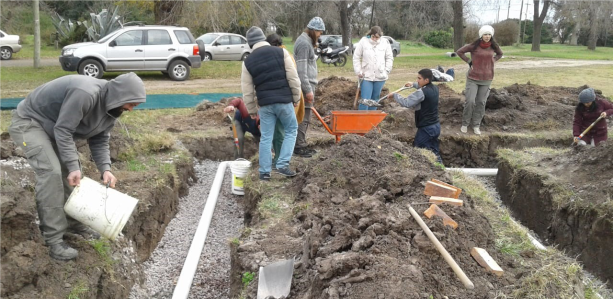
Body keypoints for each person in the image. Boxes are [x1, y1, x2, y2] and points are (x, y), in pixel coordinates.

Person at [7, 73, 146, 260]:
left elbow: (100, 139)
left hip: (54, 128)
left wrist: (105, 169)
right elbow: (63, 130)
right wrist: (73, 166)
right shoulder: (85, 93)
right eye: (131, 103)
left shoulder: (112, 108)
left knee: (72, 174)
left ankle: (74, 223)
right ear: (120, 95)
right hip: (30, 122)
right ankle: (53, 239)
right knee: (52, 173)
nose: (130, 109)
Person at [241, 26, 301, 180]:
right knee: (291, 129)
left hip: (265, 105)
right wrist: (296, 98)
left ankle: (264, 172)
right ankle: (282, 164)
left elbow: (247, 90)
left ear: (250, 44)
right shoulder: (281, 52)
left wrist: (252, 110)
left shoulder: (248, 62)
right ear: (263, 38)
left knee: (266, 137)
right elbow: (293, 78)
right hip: (283, 100)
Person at [387, 69, 443, 163]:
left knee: (418, 150)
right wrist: (413, 84)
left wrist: (395, 95)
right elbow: (423, 88)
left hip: (426, 128)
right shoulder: (435, 88)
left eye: (419, 78)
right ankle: (442, 171)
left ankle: (426, 171)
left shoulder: (421, 92)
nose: (417, 80)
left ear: (426, 80)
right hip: (436, 126)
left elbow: (407, 103)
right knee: (434, 151)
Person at [456, 25, 503, 135]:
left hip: (487, 78)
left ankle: (476, 125)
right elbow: (460, 52)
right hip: (473, 78)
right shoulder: (474, 46)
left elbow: (500, 54)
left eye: (489, 34)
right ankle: (465, 123)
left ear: (491, 35)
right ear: (481, 35)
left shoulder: (494, 46)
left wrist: (493, 60)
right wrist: (469, 61)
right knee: (471, 101)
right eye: (485, 34)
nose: (487, 36)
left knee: (481, 102)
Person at [293, 16, 325, 157]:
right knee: (304, 117)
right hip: (305, 87)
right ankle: (299, 146)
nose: (320, 35)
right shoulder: (304, 44)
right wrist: (308, 90)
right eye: (319, 32)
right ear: (313, 30)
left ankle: (300, 143)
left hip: (307, 86)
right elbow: (301, 71)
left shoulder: (305, 41)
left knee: (304, 117)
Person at [353, 26, 394, 110]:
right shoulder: (363, 41)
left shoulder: (385, 42)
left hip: (380, 76)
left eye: (377, 37)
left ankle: (371, 120)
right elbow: (356, 57)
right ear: (370, 35)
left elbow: (389, 57)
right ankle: (362, 120)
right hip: (366, 76)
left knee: (375, 99)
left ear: (380, 36)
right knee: (365, 99)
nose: (375, 39)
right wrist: (358, 71)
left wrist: (386, 70)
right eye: (373, 37)